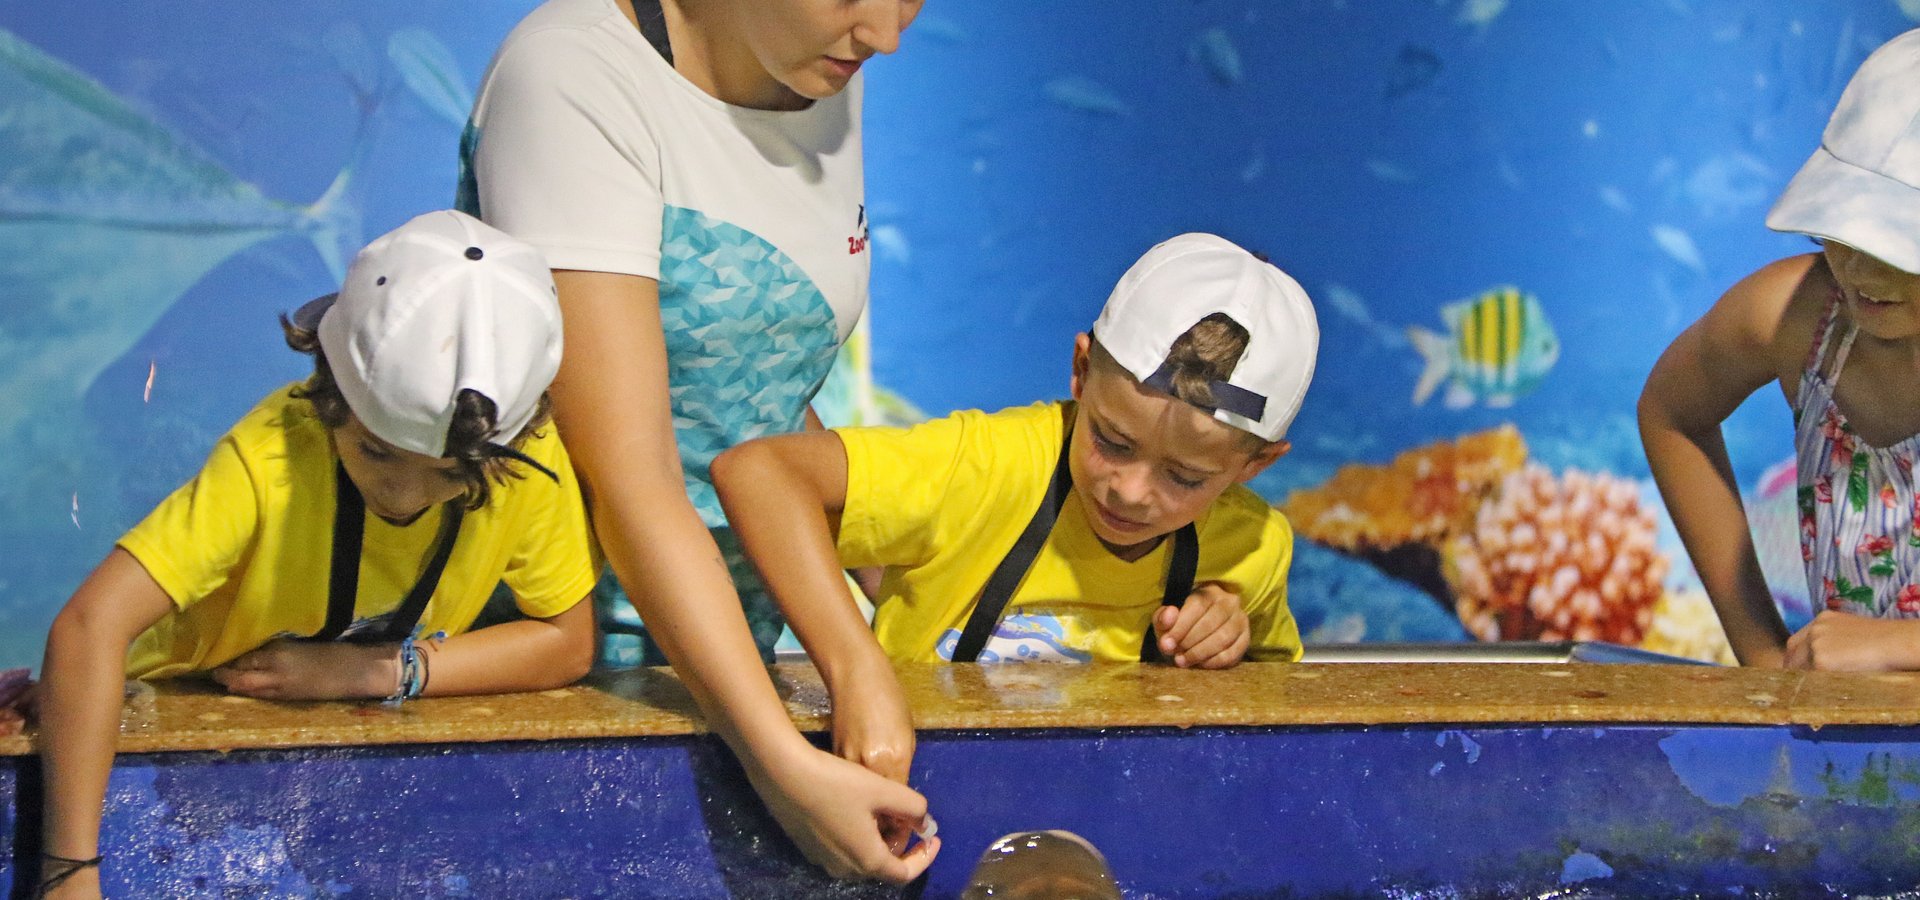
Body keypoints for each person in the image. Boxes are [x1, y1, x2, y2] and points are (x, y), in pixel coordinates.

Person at [458, 0, 940, 883]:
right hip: (583, 676)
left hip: (764, 663)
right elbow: (632, 486)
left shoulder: (819, 58)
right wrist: (780, 764)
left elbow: (754, 394)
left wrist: (899, 587)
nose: (886, 34)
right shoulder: (573, 74)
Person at [33, 210, 598, 899]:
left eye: (450, 477)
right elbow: (91, 629)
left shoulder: (525, 461)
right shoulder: (272, 454)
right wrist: (67, 873)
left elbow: (567, 641)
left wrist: (376, 671)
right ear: (328, 395)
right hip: (164, 707)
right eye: (377, 453)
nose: (405, 496)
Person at [713, 233, 1314, 783]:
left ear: (1253, 467)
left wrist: (1226, 650)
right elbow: (758, 474)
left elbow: (1282, 709)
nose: (1130, 491)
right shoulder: (989, 468)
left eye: (1185, 477)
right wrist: (855, 669)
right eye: (1111, 441)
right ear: (1081, 372)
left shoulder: (1253, 550)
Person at [1640, 29, 1920, 672]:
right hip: (1844, 766)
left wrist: (1897, 648)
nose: (1860, 270)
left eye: (1896, 242)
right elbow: (1670, 412)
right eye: (1843, 231)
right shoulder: (1796, 317)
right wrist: (1762, 654)